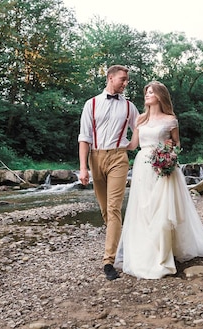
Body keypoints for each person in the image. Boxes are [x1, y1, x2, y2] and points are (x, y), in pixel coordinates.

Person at [114, 81, 203, 279]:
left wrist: (170, 151)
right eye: (146, 92)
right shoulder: (140, 120)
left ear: (160, 96)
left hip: (163, 167)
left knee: (162, 211)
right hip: (143, 165)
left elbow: (177, 144)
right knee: (143, 209)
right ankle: (145, 249)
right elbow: (133, 144)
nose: (147, 95)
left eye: (151, 92)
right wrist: (112, 142)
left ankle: (163, 253)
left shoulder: (171, 120)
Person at [78, 65, 139, 280]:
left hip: (118, 158)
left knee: (114, 209)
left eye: (126, 80)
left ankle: (108, 261)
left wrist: (131, 145)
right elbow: (84, 137)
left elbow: (140, 127)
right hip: (95, 158)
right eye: (122, 79)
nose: (125, 83)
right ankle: (120, 245)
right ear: (110, 78)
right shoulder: (91, 104)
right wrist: (84, 167)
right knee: (105, 211)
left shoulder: (130, 107)